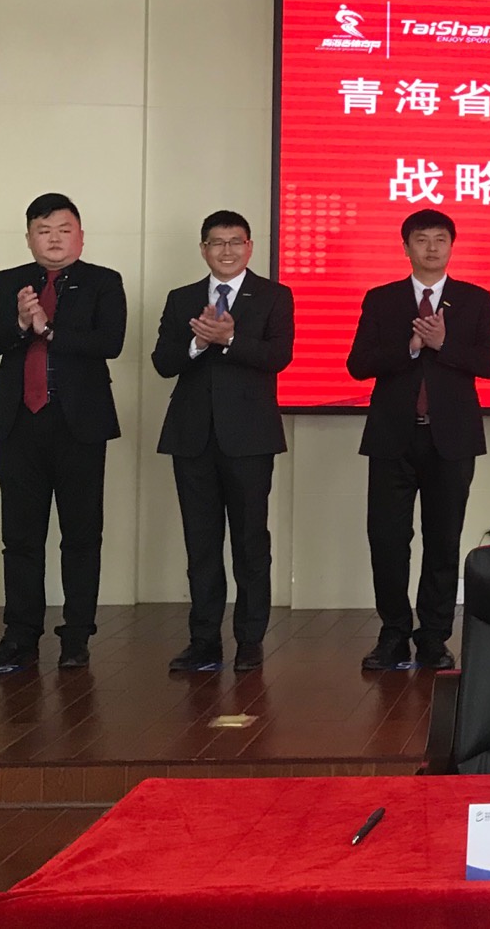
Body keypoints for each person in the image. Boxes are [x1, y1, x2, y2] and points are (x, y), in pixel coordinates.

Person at [0, 194, 126, 673]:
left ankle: (76, 637)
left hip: (79, 425)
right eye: (43, 230)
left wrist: (50, 330)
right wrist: (21, 323)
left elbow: (110, 342)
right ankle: (19, 637)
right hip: (19, 423)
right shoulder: (9, 281)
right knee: (20, 537)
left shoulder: (104, 281)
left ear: (80, 236)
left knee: (81, 535)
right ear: (29, 237)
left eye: (63, 229)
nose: (54, 239)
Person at [347, 210, 490, 672]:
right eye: (422, 239)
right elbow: (358, 364)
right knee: (387, 540)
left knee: (443, 540)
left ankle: (434, 637)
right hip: (392, 439)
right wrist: (410, 347)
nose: (432, 248)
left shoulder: (474, 299)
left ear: (452, 246)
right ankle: (393, 633)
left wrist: (443, 345)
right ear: (406, 247)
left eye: (440, 239)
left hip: (451, 440)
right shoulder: (382, 299)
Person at [151, 211, 295, 674]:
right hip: (191, 437)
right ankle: (203, 640)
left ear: (249, 247)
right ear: (203, 249)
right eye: (217, 242)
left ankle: (249, 640)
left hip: (250, 438)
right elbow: (162, 362)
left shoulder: (274, 295)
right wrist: (198, 343)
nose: (227, 250)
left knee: (251, 542)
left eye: (236, 242)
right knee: (201, 544)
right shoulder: (182, 298)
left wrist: (230, 338)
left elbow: (278, 356)